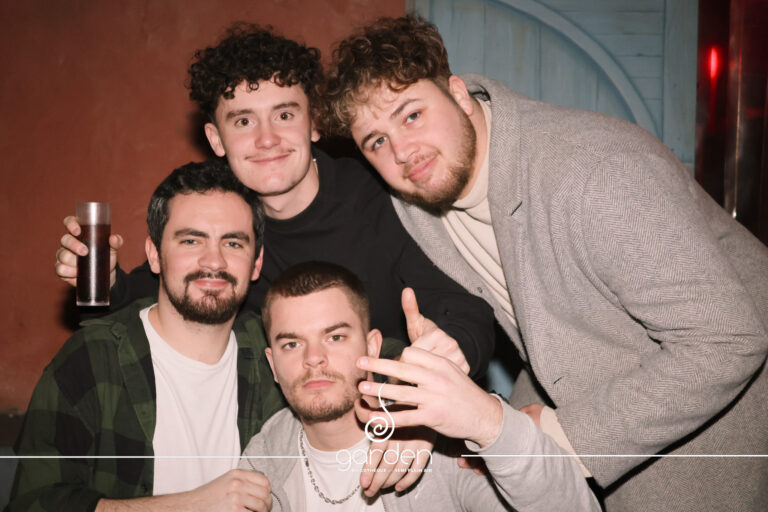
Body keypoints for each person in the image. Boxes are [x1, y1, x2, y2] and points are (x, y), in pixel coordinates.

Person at [323, 15, 768, 511]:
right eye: (377, 141)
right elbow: (558, 335)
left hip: (727, 450)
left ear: (458, 93)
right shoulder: (418, 203)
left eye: (411, 116)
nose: (403, 152)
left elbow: (728, 339)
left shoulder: (595, 171)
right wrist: (478, 425)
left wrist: (553, 435)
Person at [54, 23, 496, 382]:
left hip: (398, 412)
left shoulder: (382, 197)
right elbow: (147, 294)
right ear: (216, 140)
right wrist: (101, 278)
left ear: (314, 124)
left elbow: (464, 308)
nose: (267, 139)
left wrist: (449, 351)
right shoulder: (225, 224)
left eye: (284, 115)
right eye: (243, 121)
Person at [9, 160, 284, 511]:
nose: (213, 261)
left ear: (256, 263)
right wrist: (191, 505)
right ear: (154, 255)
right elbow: (33, 504)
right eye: (191, 240)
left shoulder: (277, 357)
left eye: (233, 243)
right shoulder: (92, 360)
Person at [240, 261, 599, 511]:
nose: (314, 358)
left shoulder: (440, 448)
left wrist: (488, 421)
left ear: (372, 347)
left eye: (335, 337)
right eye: (292, 344)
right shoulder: (262, 461)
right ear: (273, 365)